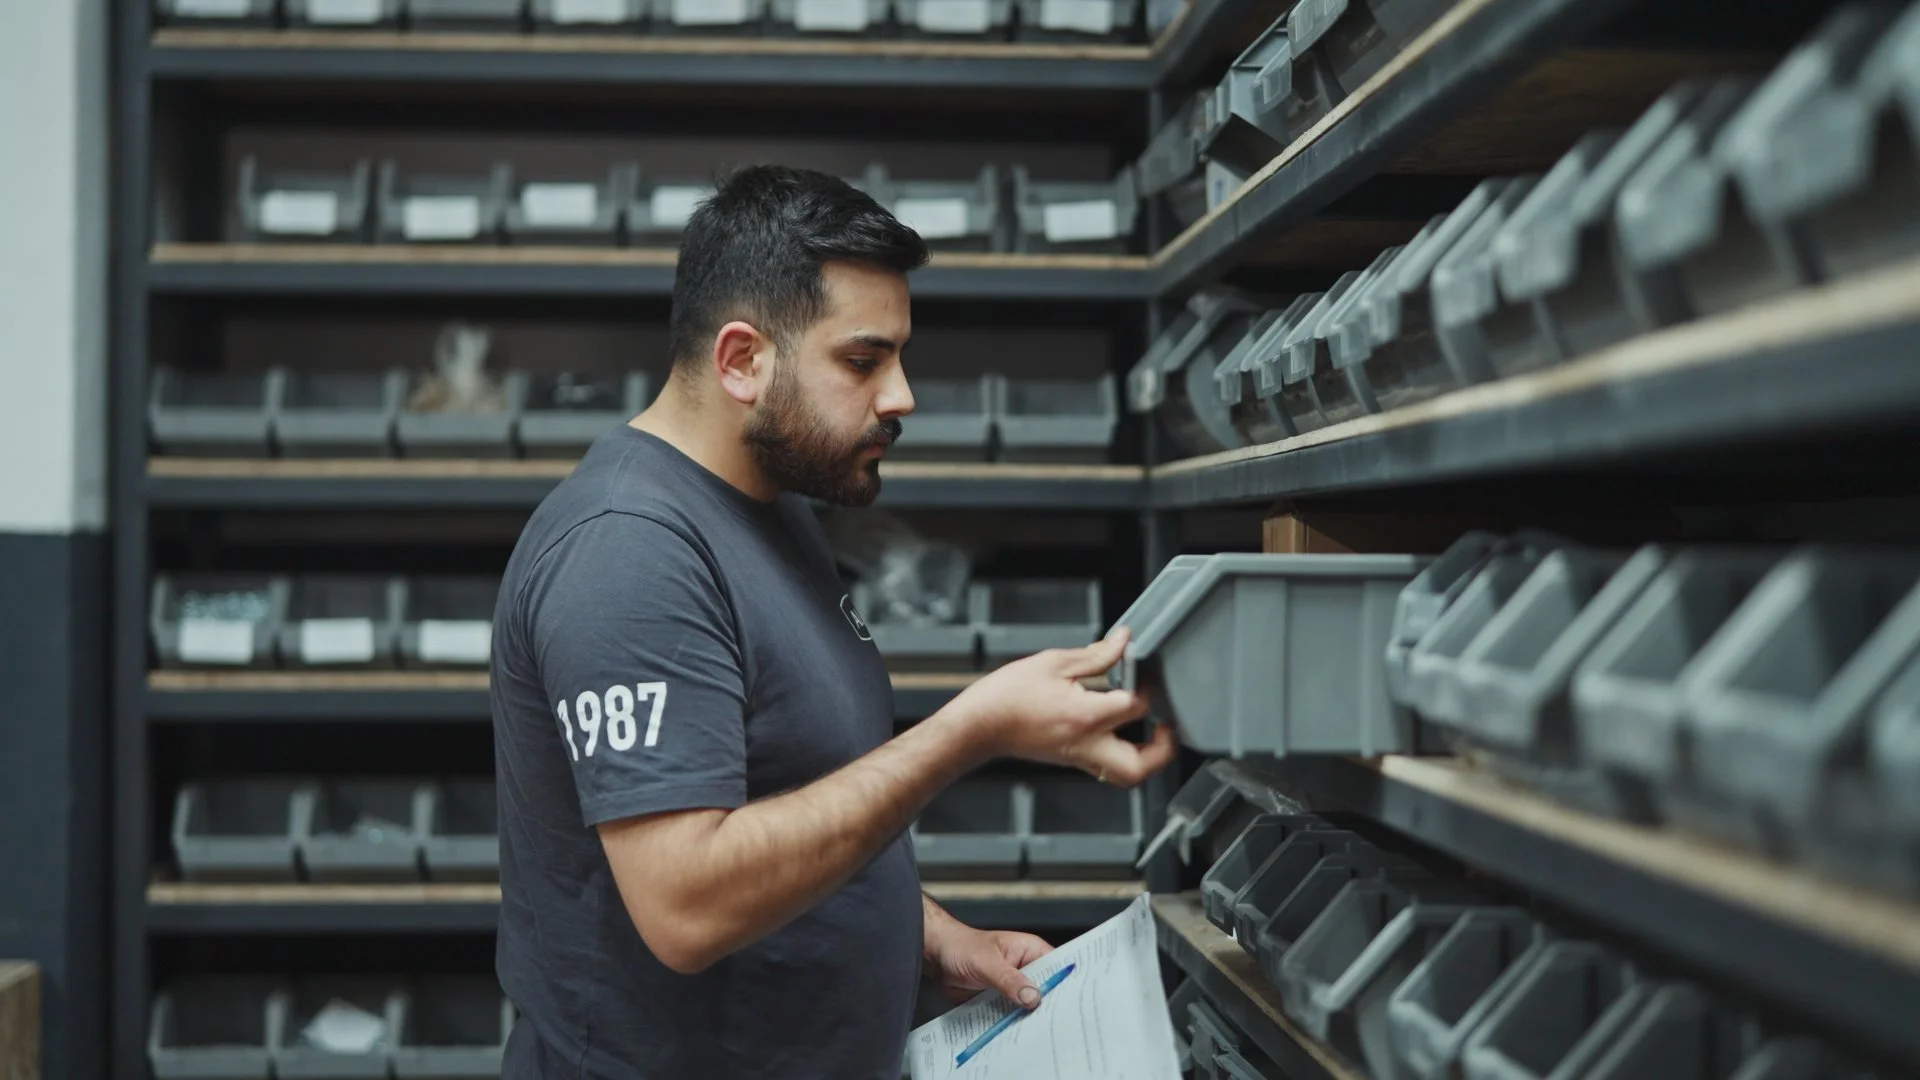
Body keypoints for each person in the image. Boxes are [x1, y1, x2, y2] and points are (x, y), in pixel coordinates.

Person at [489, 164, 1176, 1078]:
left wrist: (930, 939)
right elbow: (687, 905)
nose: (901, 397)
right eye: (863, 360)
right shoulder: (629, 553)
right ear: (741, 360)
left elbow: (788, 790)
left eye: (897, 356)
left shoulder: (773, 506)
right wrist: (968, 732)